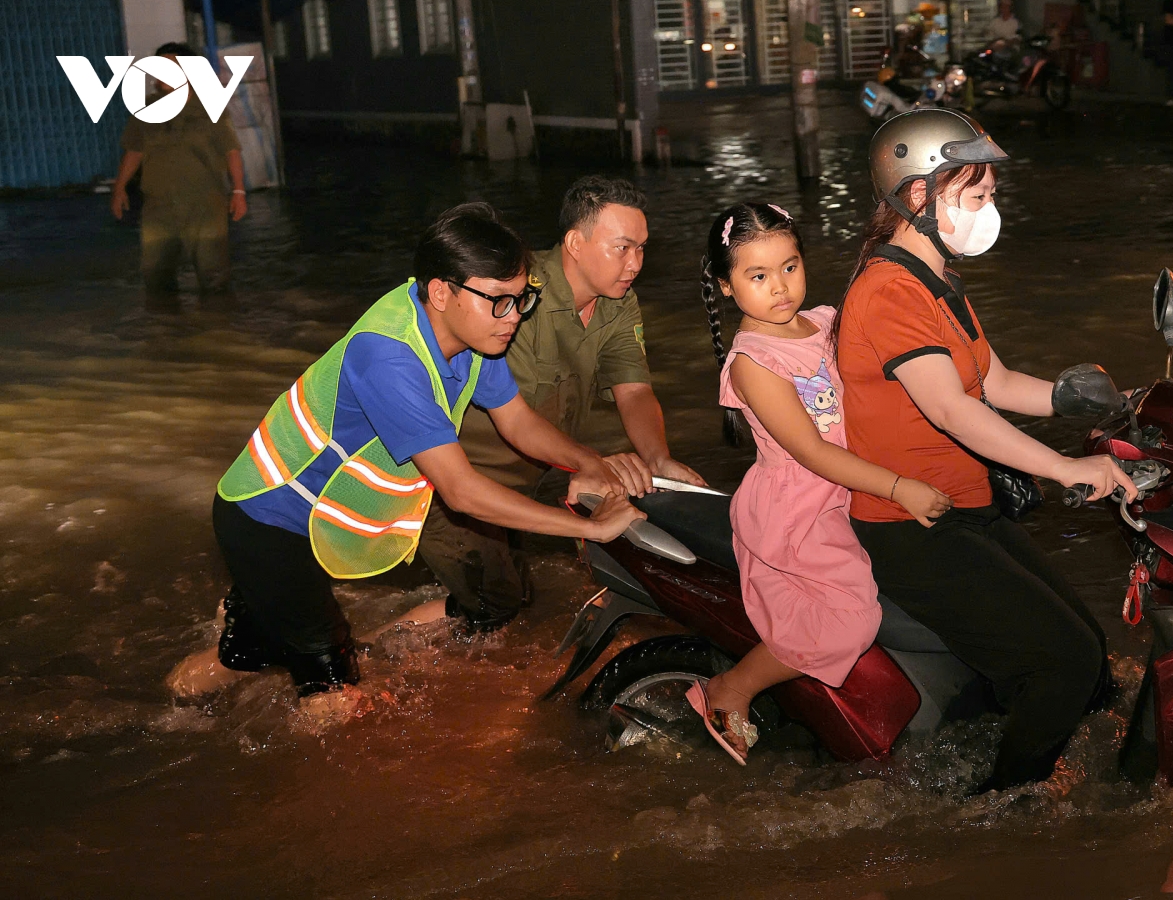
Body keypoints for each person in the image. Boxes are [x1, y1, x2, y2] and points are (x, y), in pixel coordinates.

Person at [166, 203, 643, 708]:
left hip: (308, 519)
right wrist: (590, 529)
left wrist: (591, 463)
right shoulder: (390, 357)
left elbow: (519, 422)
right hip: (267, 521)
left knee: (247, 657)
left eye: (521, 300)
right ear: (441, 292)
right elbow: (461, 492)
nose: (514, 317)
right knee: (336, 698)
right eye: (499, 301)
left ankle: (167, 710)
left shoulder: (476, 335)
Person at [834, 109, 1136, 793]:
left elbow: (993, 382)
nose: (988, 210)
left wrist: (1077, 399)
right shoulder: (887, 292)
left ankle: (1038, 760)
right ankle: (1004, 809)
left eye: (991, 195)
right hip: (914, 528)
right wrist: (1064, 466)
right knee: (1061, 662)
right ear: (919, 195)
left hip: (967, 507)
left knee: (1087, 654)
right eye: (976, 196)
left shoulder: (936, 279)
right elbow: (952, 408)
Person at [684, 203, 952, 764]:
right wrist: (900, 486)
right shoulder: (752, 362)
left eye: (790, 266)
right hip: (800, 506)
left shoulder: (829, 319)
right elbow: (810, 450)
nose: (780, 287)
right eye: (758, 276)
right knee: (850, 621)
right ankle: (732, 687)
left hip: (852, 483)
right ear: (727, 286)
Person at [417, 177, 704, 633]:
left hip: (525, 481)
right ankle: (374, 650)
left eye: (642, 249)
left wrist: (657, 458)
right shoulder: (515, 299)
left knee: (518, 603)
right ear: (574, 242)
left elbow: (634, 389)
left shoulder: (619, 303)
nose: (636, 264)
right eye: (622, 248)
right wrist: (591, 465)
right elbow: (518, 417)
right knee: (498, 606)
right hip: (457, 483)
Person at [110, 42, 247, 298]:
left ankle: (220, 330)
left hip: (204, 203)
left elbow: (232, 151)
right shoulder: (145, 109)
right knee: (156, 276)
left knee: (213, 274)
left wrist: (238, 191)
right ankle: (166, 332)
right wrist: (119, 189)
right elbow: (134, 151)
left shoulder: (210, 107)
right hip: (158, 206)